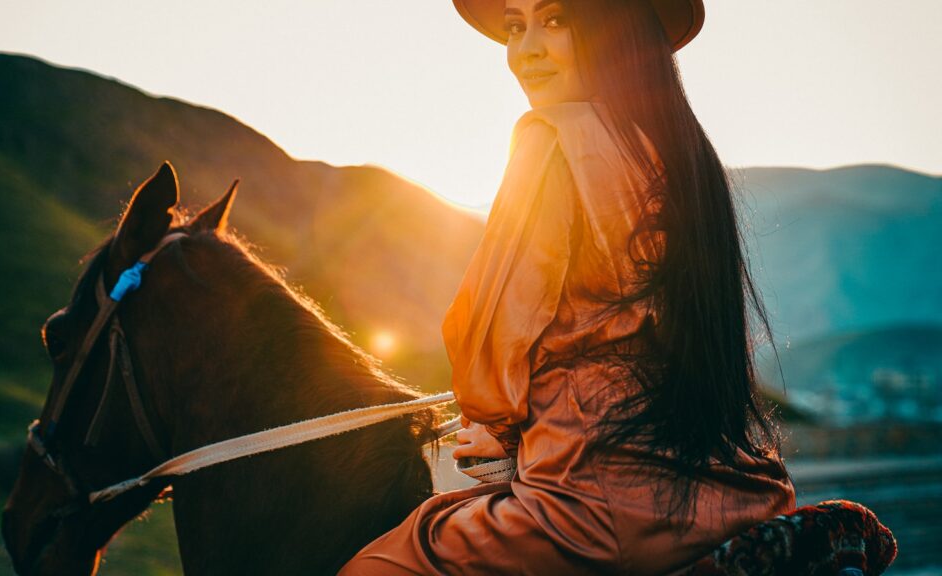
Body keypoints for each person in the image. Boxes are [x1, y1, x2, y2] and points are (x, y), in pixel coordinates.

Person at [338, 0, 795, 574]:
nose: (526, 49)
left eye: (555, 19)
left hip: (589, 508)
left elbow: (496, 322)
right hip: (728, 491)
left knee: (379, 565)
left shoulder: (551, 138)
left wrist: (494, 425)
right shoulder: (684, 160)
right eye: (515, 25)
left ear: (614, 30)